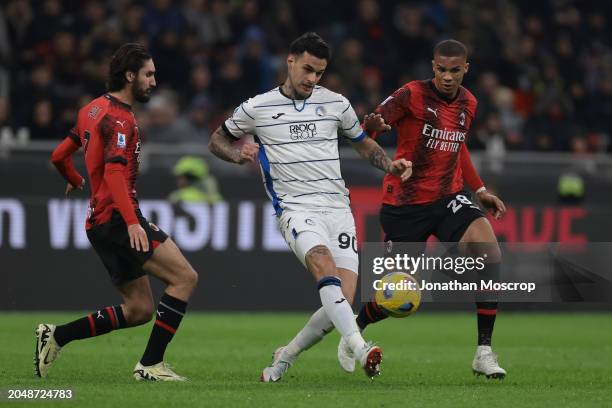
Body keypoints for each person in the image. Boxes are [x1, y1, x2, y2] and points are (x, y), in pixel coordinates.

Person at [208, 32, 411, 382]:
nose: (312, 78)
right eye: (307, 69)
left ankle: (286, 356)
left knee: (343, 302)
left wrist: (388, 164)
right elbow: (216, 140)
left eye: (319, 72)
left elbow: (363, 145)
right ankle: (362, 348)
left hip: (338, 208)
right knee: (322, 263)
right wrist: (237, 154)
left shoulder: (336, 103)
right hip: (295, 208)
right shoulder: (258, 107)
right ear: (290, 61)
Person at [341, 39, 508, 379]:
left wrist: (479, 190)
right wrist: (374, 126)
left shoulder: (469, 103)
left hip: (448, 198)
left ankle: (484, 352)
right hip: (404, 204)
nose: (447, 77)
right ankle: (353, 332)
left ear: (466, 69)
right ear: (433, 67)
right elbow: (367, 128)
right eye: (441, 70)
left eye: (455, 70)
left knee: (488, 251)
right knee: (401, 298)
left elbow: (458, 148)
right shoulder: (412, 94)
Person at [38, 43, 199, 382]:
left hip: (98, 222)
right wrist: (131, 223)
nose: (154, 82)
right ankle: (150, 365)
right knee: (185, 278)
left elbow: (58, 156)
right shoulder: (121, 120)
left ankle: (57, 336)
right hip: (116, 219)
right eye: (149, 74)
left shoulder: (91, 110)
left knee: (140, 309)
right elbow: (113, 174)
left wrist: (75, 178)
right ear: (130, 76)